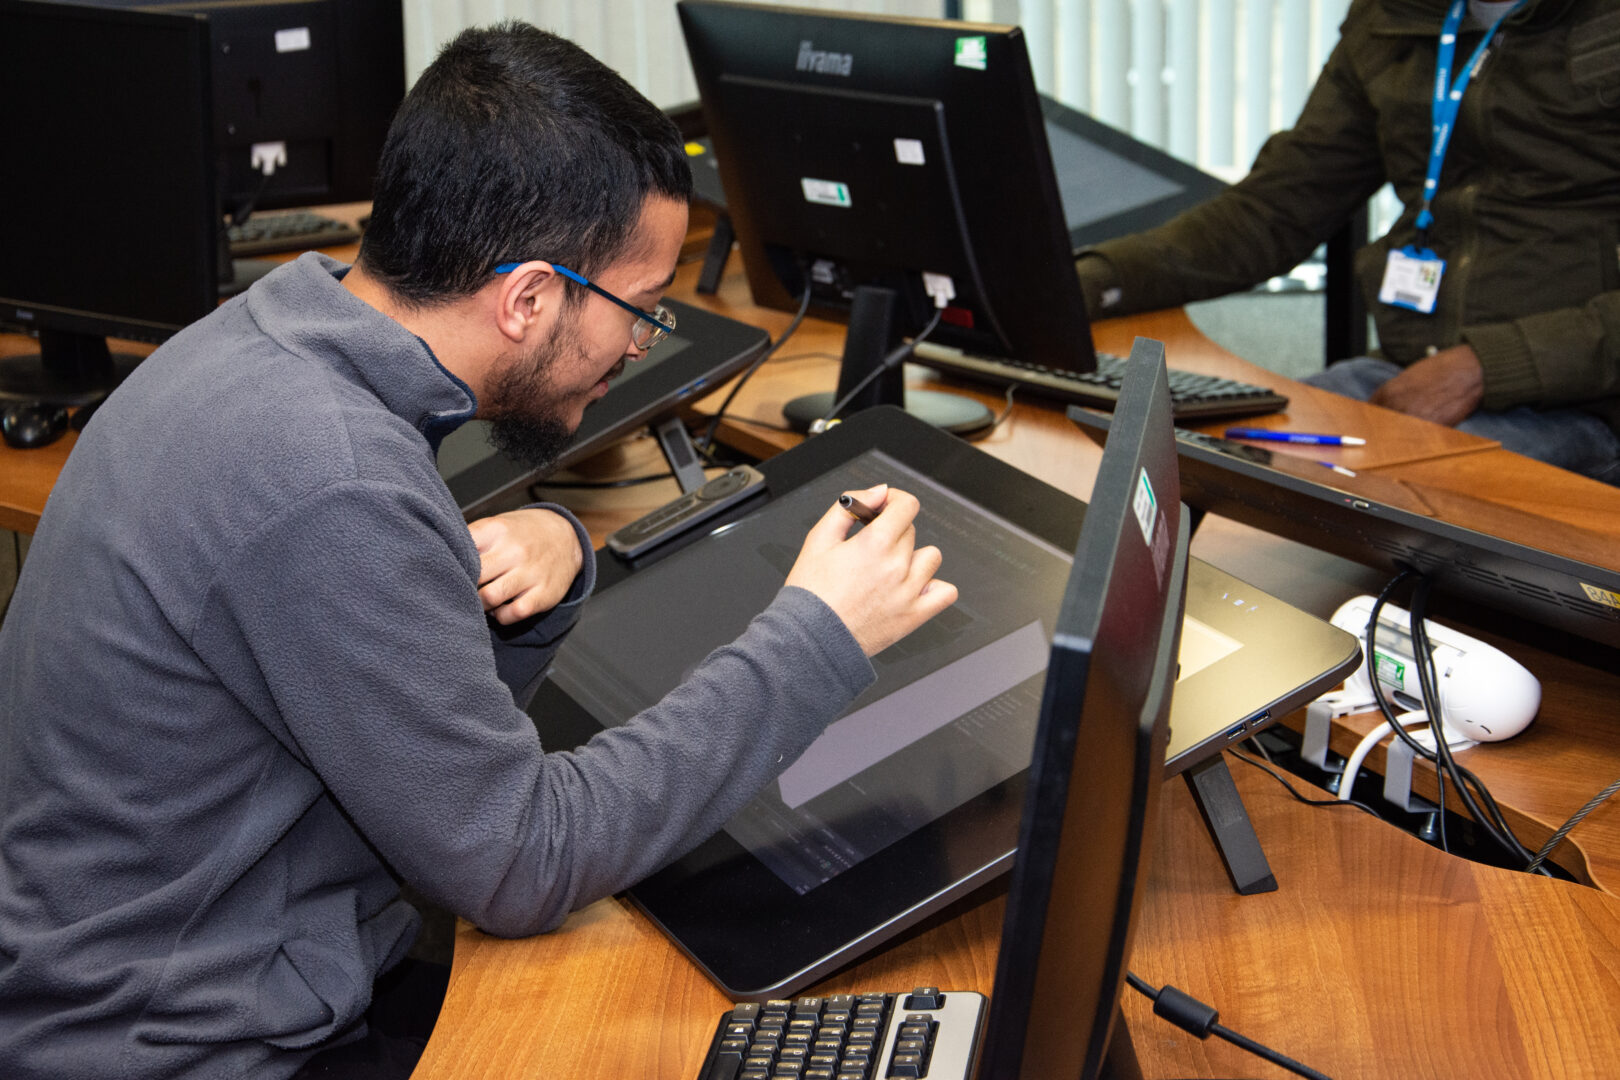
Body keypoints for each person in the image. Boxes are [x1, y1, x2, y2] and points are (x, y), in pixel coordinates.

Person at [0, 23, 958, 1080]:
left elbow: (387, 717)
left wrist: (546, 562)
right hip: (176, 1048)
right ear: (530, 297)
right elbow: (520, 859)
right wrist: (818, 635)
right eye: (638, 314)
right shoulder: (334, 479)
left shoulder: (258, 342)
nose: (638, 349)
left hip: (176, 969)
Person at [1075, 0, 1620, 484]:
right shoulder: (1391, 16)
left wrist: (1489, 366)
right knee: (1203, 467)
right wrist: (1096, 281)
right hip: (1408, 369)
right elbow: (1277, 208)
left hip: (1585, 401)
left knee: (1395, 513)